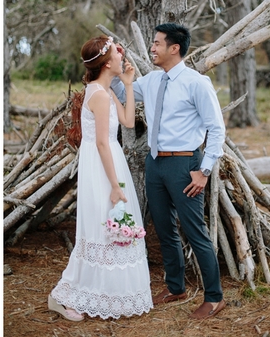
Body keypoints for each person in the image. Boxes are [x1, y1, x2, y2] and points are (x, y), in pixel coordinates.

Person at [120, 23, 227, 319]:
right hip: (155, 163)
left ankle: (215, 298)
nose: (152, 48)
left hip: (185, 164)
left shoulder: (197, 83)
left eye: (156, 43)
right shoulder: (152, 80)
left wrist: (203, 171)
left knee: (195, 232)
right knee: (164, 229)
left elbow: (216, 129)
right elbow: (121, 90)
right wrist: (117, 67)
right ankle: (175, 287)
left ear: (174, 48)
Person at [48, 36, 153, 321]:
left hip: (109, 161)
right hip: (103, 165)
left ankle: (101, 294)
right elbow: (102, 143)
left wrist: (129, 85)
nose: (123, 58)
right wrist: (116, 186)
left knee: (111, 229)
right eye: (119, 54)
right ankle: (64, 295)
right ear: (108, 63)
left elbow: (129, 122)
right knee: (101, 229)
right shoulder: (98, 95)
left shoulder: (104, 90)